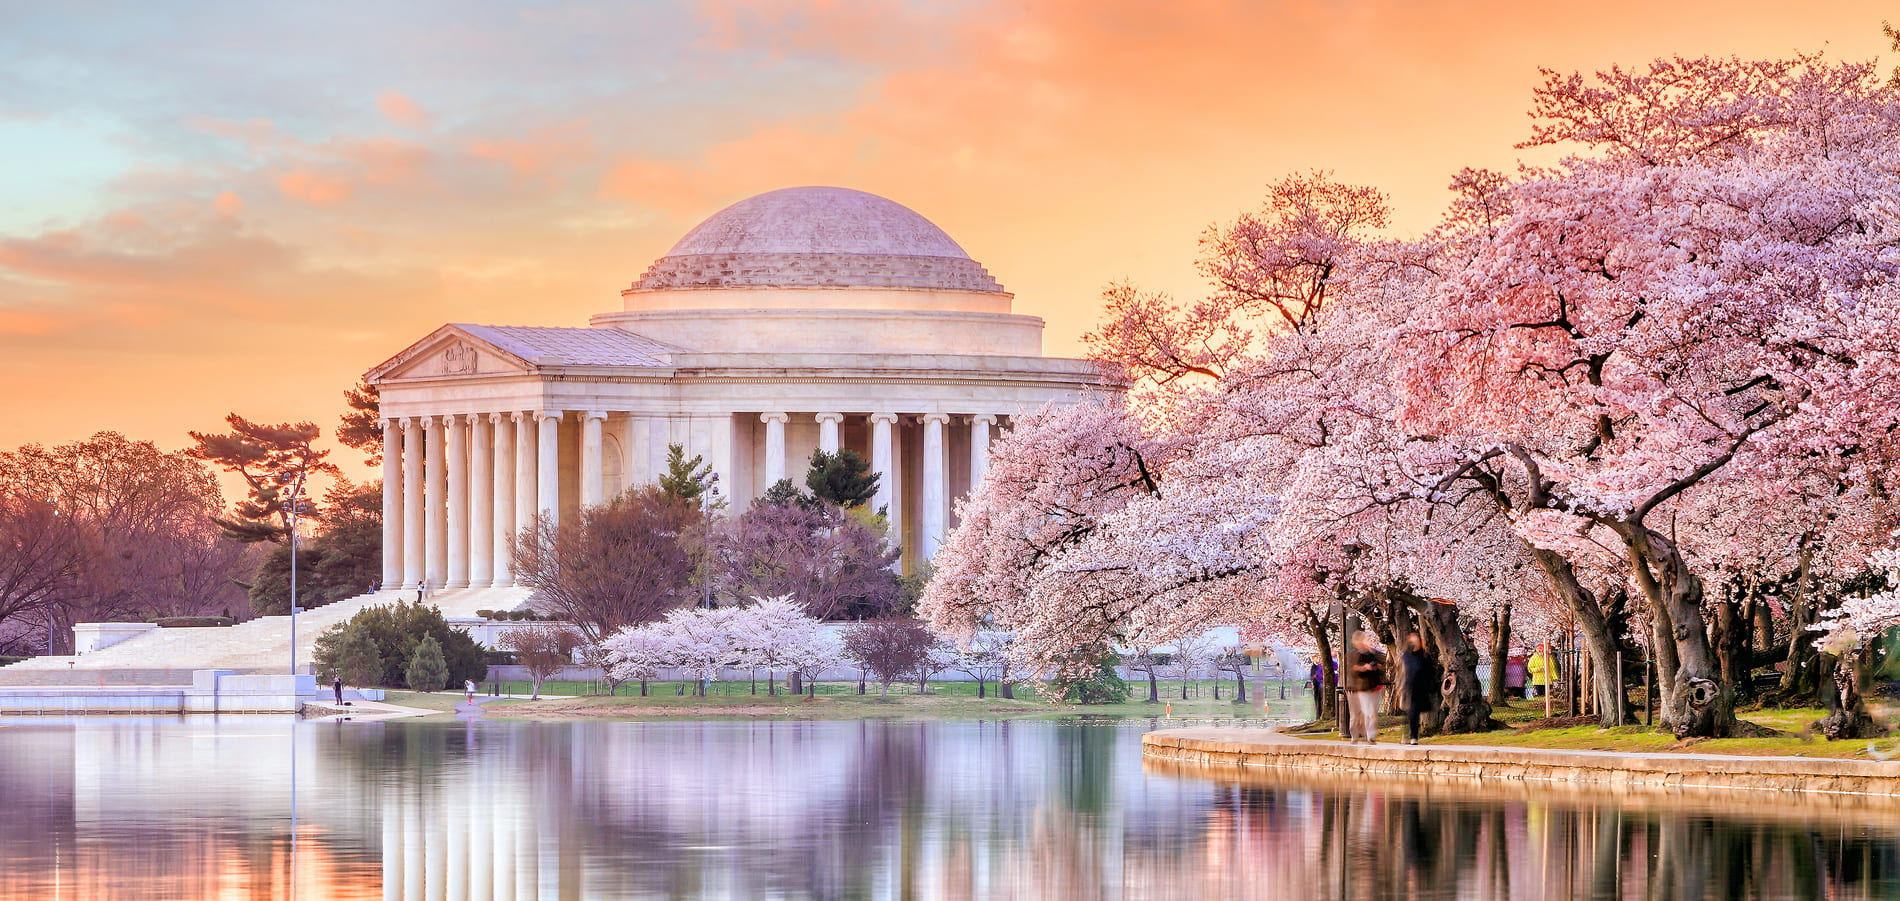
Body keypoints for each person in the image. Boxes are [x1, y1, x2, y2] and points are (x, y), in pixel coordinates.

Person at [1346, 631, 1389, 743]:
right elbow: (1353, 670)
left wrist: (1376, 666)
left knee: (1372, 712)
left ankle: (1371, 735)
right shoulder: (1354, 655)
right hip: (1361, 687)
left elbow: (1383, 661)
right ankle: (1357, 735)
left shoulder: (1372, 653)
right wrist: (1364, 668)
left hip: (1373, 686)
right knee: (1363, 713)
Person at [1399, 634, 1439, 745]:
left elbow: (1430, 671)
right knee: (1410, 712)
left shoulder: (1424, 656)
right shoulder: (1405, 656)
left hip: (1420, 687)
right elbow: (1401, 671)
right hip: (1408, 687)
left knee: (1414, 712)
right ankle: (1410, 735)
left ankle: (1413, 736)